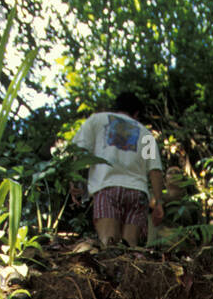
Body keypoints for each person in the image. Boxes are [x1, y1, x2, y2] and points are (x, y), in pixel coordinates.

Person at [70, 92, 164, 248]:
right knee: (131, 249)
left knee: (108, 243)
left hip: (106, 188)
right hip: (137, 193)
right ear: (136, 113)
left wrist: (75, 181)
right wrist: (158, 202)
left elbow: (79, 152)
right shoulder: (146, 134)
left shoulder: (97, 120)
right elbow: (155, 170)